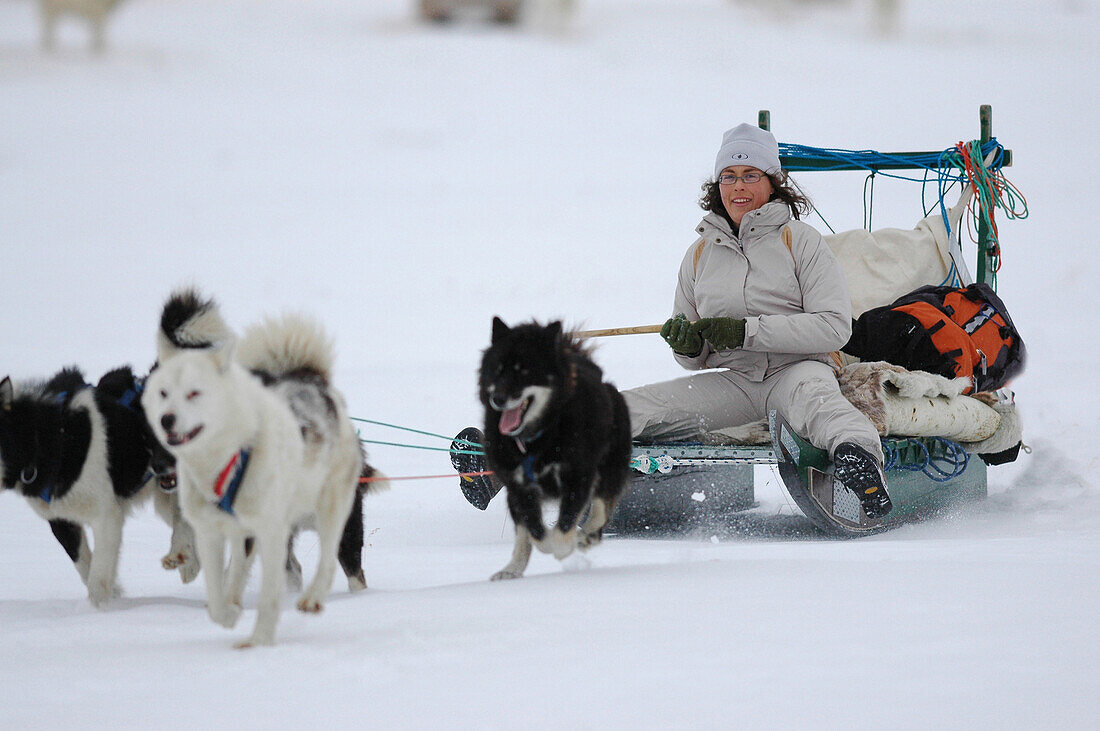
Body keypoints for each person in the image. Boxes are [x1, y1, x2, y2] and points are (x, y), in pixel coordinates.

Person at [622, 122, 892, 517]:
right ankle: (512, 462)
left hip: (797, 372)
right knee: (633, 407)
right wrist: (689, 346)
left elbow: (835, 326)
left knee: (824, 410)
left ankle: (862, 471)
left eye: (751, 175)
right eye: (728, 177)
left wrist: (746, 332)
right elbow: (692, 352)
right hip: (736, 383)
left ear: (772, 184)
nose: (738, 187)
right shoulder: (699, 254)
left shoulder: (799, 240)